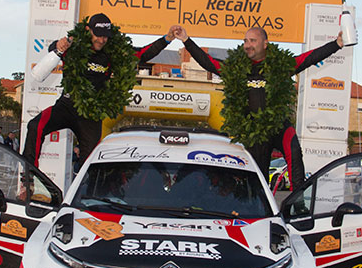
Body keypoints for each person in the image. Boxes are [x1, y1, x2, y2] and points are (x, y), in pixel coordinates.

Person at [172, 25, 344, 189]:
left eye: (253, 41)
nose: (248, 45)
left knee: (295, 154)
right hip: (253, 133)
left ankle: (297, 204)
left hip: (277, 125)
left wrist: (336, 44)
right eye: (245, 41)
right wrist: (186, 40)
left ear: (265, 43)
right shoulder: (234, 68)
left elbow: (310, 58)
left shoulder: (281, 65)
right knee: (258, 181)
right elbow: (208, 62)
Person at [22, 15, 176, 166]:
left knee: (90, 160)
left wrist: (167, 38)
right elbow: (53, 49)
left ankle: (83, 183)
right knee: (35, 126)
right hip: (66, 105)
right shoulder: (74, 46)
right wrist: (58, 45)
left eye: (105, 36)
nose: (102, 40)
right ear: (88, 30)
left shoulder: (114, 51)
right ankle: (29, 175)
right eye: (98, 35)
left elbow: (142, 54)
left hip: (91, 115)